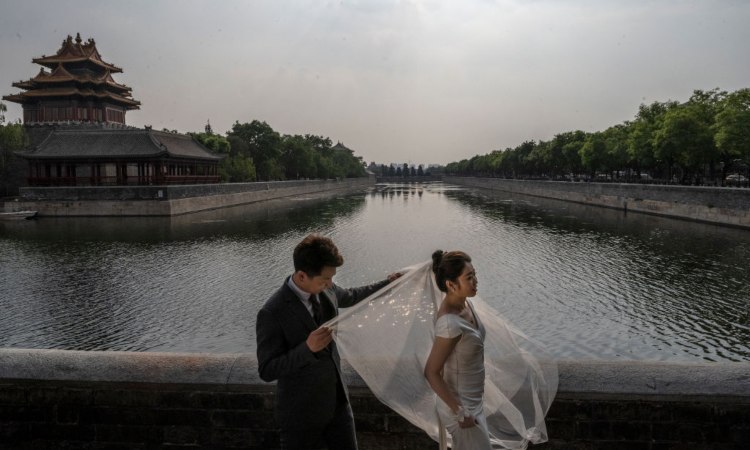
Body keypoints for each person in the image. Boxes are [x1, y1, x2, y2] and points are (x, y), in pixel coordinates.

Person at [256, 233, 402, 450]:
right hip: (301, 416)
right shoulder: (272, 312)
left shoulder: (327, 289)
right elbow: (267, 370)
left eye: (332, 278)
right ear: (302, 276)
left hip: (338, 406)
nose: (330, 284)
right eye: (325, 280)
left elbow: (352, 295)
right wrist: (307, 348)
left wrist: (389, 284)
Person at [424, 250, 492, 450]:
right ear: (451, 285)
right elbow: (431, 372)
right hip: (461, 410)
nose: (475, 281)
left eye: (475, 274)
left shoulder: (467, 304)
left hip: (473, 402)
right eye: (469, 277)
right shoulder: (449, 324)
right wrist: (460, 411)